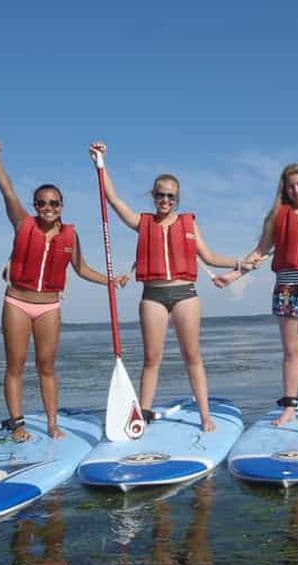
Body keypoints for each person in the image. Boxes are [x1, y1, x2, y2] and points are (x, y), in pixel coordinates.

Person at [89, 141, 252, 433]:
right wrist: (101, 164)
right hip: (153, 295)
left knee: (193, 356)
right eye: (161, 195)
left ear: (177, 199)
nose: (165, 201)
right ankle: (143, 411)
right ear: (153, 196)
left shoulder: (188, 222)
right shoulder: (143, 222)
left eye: (171, 197)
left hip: (184, 294)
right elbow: (113, 199)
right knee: (152, 357)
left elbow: (210, 256)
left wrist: (240, 263)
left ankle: (205, 414)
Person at [0, 137, 127, 442]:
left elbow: (81, 268)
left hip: (49, 306)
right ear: (35, 206)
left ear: (61, 206)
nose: (48, 207)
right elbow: (7, 191)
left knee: (46, 366)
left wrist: (110, 281)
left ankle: (51, 423)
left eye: (54, 203)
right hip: (18, 302)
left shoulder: (70, 236)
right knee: (16, 365)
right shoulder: (23, 223)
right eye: (42, 203)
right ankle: (17, 424)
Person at [216, 163, 298, 427]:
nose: (296, 189)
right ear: (284, 190)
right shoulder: (278, 215)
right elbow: (260, 251)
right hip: (288, 288)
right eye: (290, 186)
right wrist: (233, 275)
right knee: (291, 352)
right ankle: (289, 407)